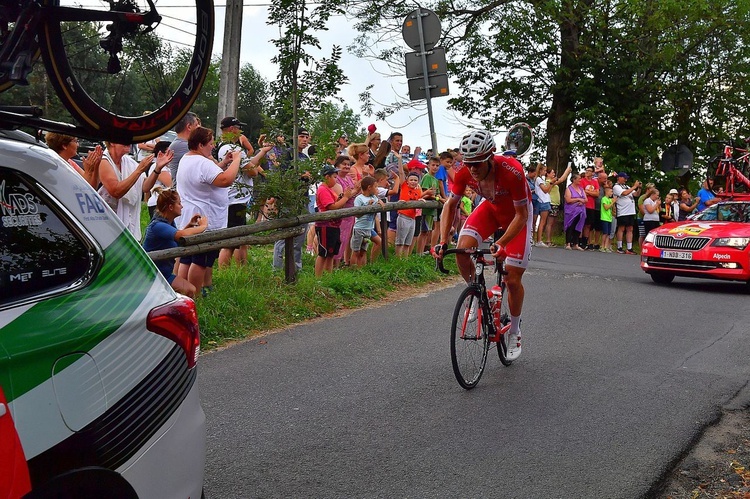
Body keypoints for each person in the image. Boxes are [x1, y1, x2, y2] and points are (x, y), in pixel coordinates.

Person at [434, 130, 531, 361]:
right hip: (491, 210)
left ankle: (515, 332)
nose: (473, 169)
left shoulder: (512, 171)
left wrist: (501, 242)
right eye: (469, 164)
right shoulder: (463, 173)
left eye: (477, 163)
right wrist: (443, 240)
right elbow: (450, 206)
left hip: (517, 219)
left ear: (490, 157)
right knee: (462, 249)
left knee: (513, 278)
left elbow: (521, 215)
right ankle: (478, 294)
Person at [176, 126, 242, 296]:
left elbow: (206, 175)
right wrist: (236, 160)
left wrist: (223, 164)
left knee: (187, 258)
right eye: (210, 144)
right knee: (200, 261)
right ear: (200, 145)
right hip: (205, 221)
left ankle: (183, 292)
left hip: (189, 218)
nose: (213, 147)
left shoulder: (187, 158)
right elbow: (226, 180)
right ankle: (195, 294)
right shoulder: (202, 163)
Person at [98, 141, 173, 240]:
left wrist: (157, 168)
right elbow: (116, 191)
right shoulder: (104, 162)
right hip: (109, 225)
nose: (129, 142)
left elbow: (145, 187)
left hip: (130, 224)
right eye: (124, 138)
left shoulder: (129, 162)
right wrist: (139, 170)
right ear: (112, 142)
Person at [142, 187, 208, 298]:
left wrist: (189, 226)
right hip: (153, 277)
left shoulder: (168, 223)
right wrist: (203, 226)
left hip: (164, 274)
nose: (181, 206)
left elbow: (177, 239)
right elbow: (181, 235)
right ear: (171, 207)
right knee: (189, 291)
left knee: (190, 290)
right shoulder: (157, 226)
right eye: (179, 203)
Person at [314, 164, 352, 276]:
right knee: (323, 253)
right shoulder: (323, 189)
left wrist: (342, 197)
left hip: (333, 225)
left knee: (330, 253)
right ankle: (318, 278)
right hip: (326, 225)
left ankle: (328, 276)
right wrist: (345, 198)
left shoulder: (330, 190)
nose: (336, 180)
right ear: (327, 177)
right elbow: (332, 207)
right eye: (334, 177)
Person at [351, 176, 384, 267]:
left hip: (369, 229)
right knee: (356, 251)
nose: (377, 189)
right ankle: (353, 270)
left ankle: (363, 268)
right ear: (369, 187)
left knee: (363, 250)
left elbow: (378, 205)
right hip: (359, 228)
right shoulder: (359, 199)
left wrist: (380, 202)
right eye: (375, 187)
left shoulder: (374, 197)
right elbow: (357, 214)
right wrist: (367, 207)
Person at [333, 154, 359, 267]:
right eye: (344, 164)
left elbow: (352, 193)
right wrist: (356, 190)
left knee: (345, 239)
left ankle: (339, 263)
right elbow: (343, 195)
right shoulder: (336, 179)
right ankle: (333, 265)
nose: (347, 167)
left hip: (350, 213)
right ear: (337, 165)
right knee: (339, 239)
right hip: (341, 212)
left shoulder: (348, 178)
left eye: (348, 165)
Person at [396, 172, 425, 257]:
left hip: (412, 218)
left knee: (407, 242)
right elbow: (401, 174)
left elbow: (419, 199)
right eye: (411, 180)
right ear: (407, 181)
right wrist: (400, 160)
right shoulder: (404, 186)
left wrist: (421, 200)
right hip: (403, 216)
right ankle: (398, 260)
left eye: (415, 180)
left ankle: (405, 260)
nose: (413, 182)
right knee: (400, 242)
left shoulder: (418, 190)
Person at [167, 111, 200, 187]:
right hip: (183, 195)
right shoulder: (182, 145)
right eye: (196, 125)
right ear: (189, 127)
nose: (199, 127)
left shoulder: (181, 143)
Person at [542, 164, 571, 246]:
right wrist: (567, 171)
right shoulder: (549, 182)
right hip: (551, 203)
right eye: (552, 173)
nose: (554, 174)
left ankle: (549, 239)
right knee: (549, 223)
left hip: (555, 204)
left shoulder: (552, 181)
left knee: (552, 223)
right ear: (547, 174)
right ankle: (548, 240)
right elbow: (561, 179)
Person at [613, 172, 640, 254]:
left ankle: (629, 247)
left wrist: (639, 188)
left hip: (630, 211)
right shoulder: (616, 187)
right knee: (621, 228)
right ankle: (619, 246)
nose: (626, 180)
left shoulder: (627, 186)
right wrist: (634, 186)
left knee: (630, 229)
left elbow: (635, 194)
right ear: (619, 178)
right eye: (624, 178)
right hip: (623, 211)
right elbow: (624, 193)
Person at [145, 141, 173, 218]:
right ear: (161, 154)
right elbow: (171, 184)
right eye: (169, 153)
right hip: (158, 204)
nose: (172, 156)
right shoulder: (158, 167)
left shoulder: (167, 167)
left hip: (165, 204)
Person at [563, 173, 587, 250]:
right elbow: (568, 200)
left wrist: (582, 201)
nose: (580, 180)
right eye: (579, 178)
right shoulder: (569, 189)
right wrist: (578, 199)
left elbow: (586, 199)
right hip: (571, 211)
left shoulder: (581, 189)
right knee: (570, 226)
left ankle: (576, 243)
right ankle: (568, 243)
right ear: (574, 179)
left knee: (578, 226)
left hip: (581, 210)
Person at [580, 165, 600, 250]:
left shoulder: (595, 182)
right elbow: (581, 192)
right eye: (586, 170)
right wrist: (591, 192)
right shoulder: (582, 181)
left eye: (589, 171)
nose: (587, 172)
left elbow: (597, 194)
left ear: (593, 173)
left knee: (588, 225)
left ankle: (585, 241)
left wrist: (587, 192)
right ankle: (579, 240)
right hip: (583, 204)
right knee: (581, 223)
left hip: (591, 206)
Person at [533, 163, 552, 247]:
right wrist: (551, 183)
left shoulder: (540, 179)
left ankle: (537, 239)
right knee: (542, 222)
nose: (545, 172)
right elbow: (545, 190)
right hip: (543, 201)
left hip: (543, 200)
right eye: (544, 170)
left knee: (541, 222)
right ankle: (539, 240)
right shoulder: (539, 179)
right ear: (540, 170)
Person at [600, 186, 614, 252]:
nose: (612, 193)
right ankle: (602, 246)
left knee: (608, 233)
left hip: (609, 218)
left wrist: (613, 202)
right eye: (611, 192)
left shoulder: (609, 200)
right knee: (605, 233)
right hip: (604, 218)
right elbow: (606, 207)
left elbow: (613, 208)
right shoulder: (604, 199)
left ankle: (606, 246)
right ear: (607, 192)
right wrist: (612, 202)